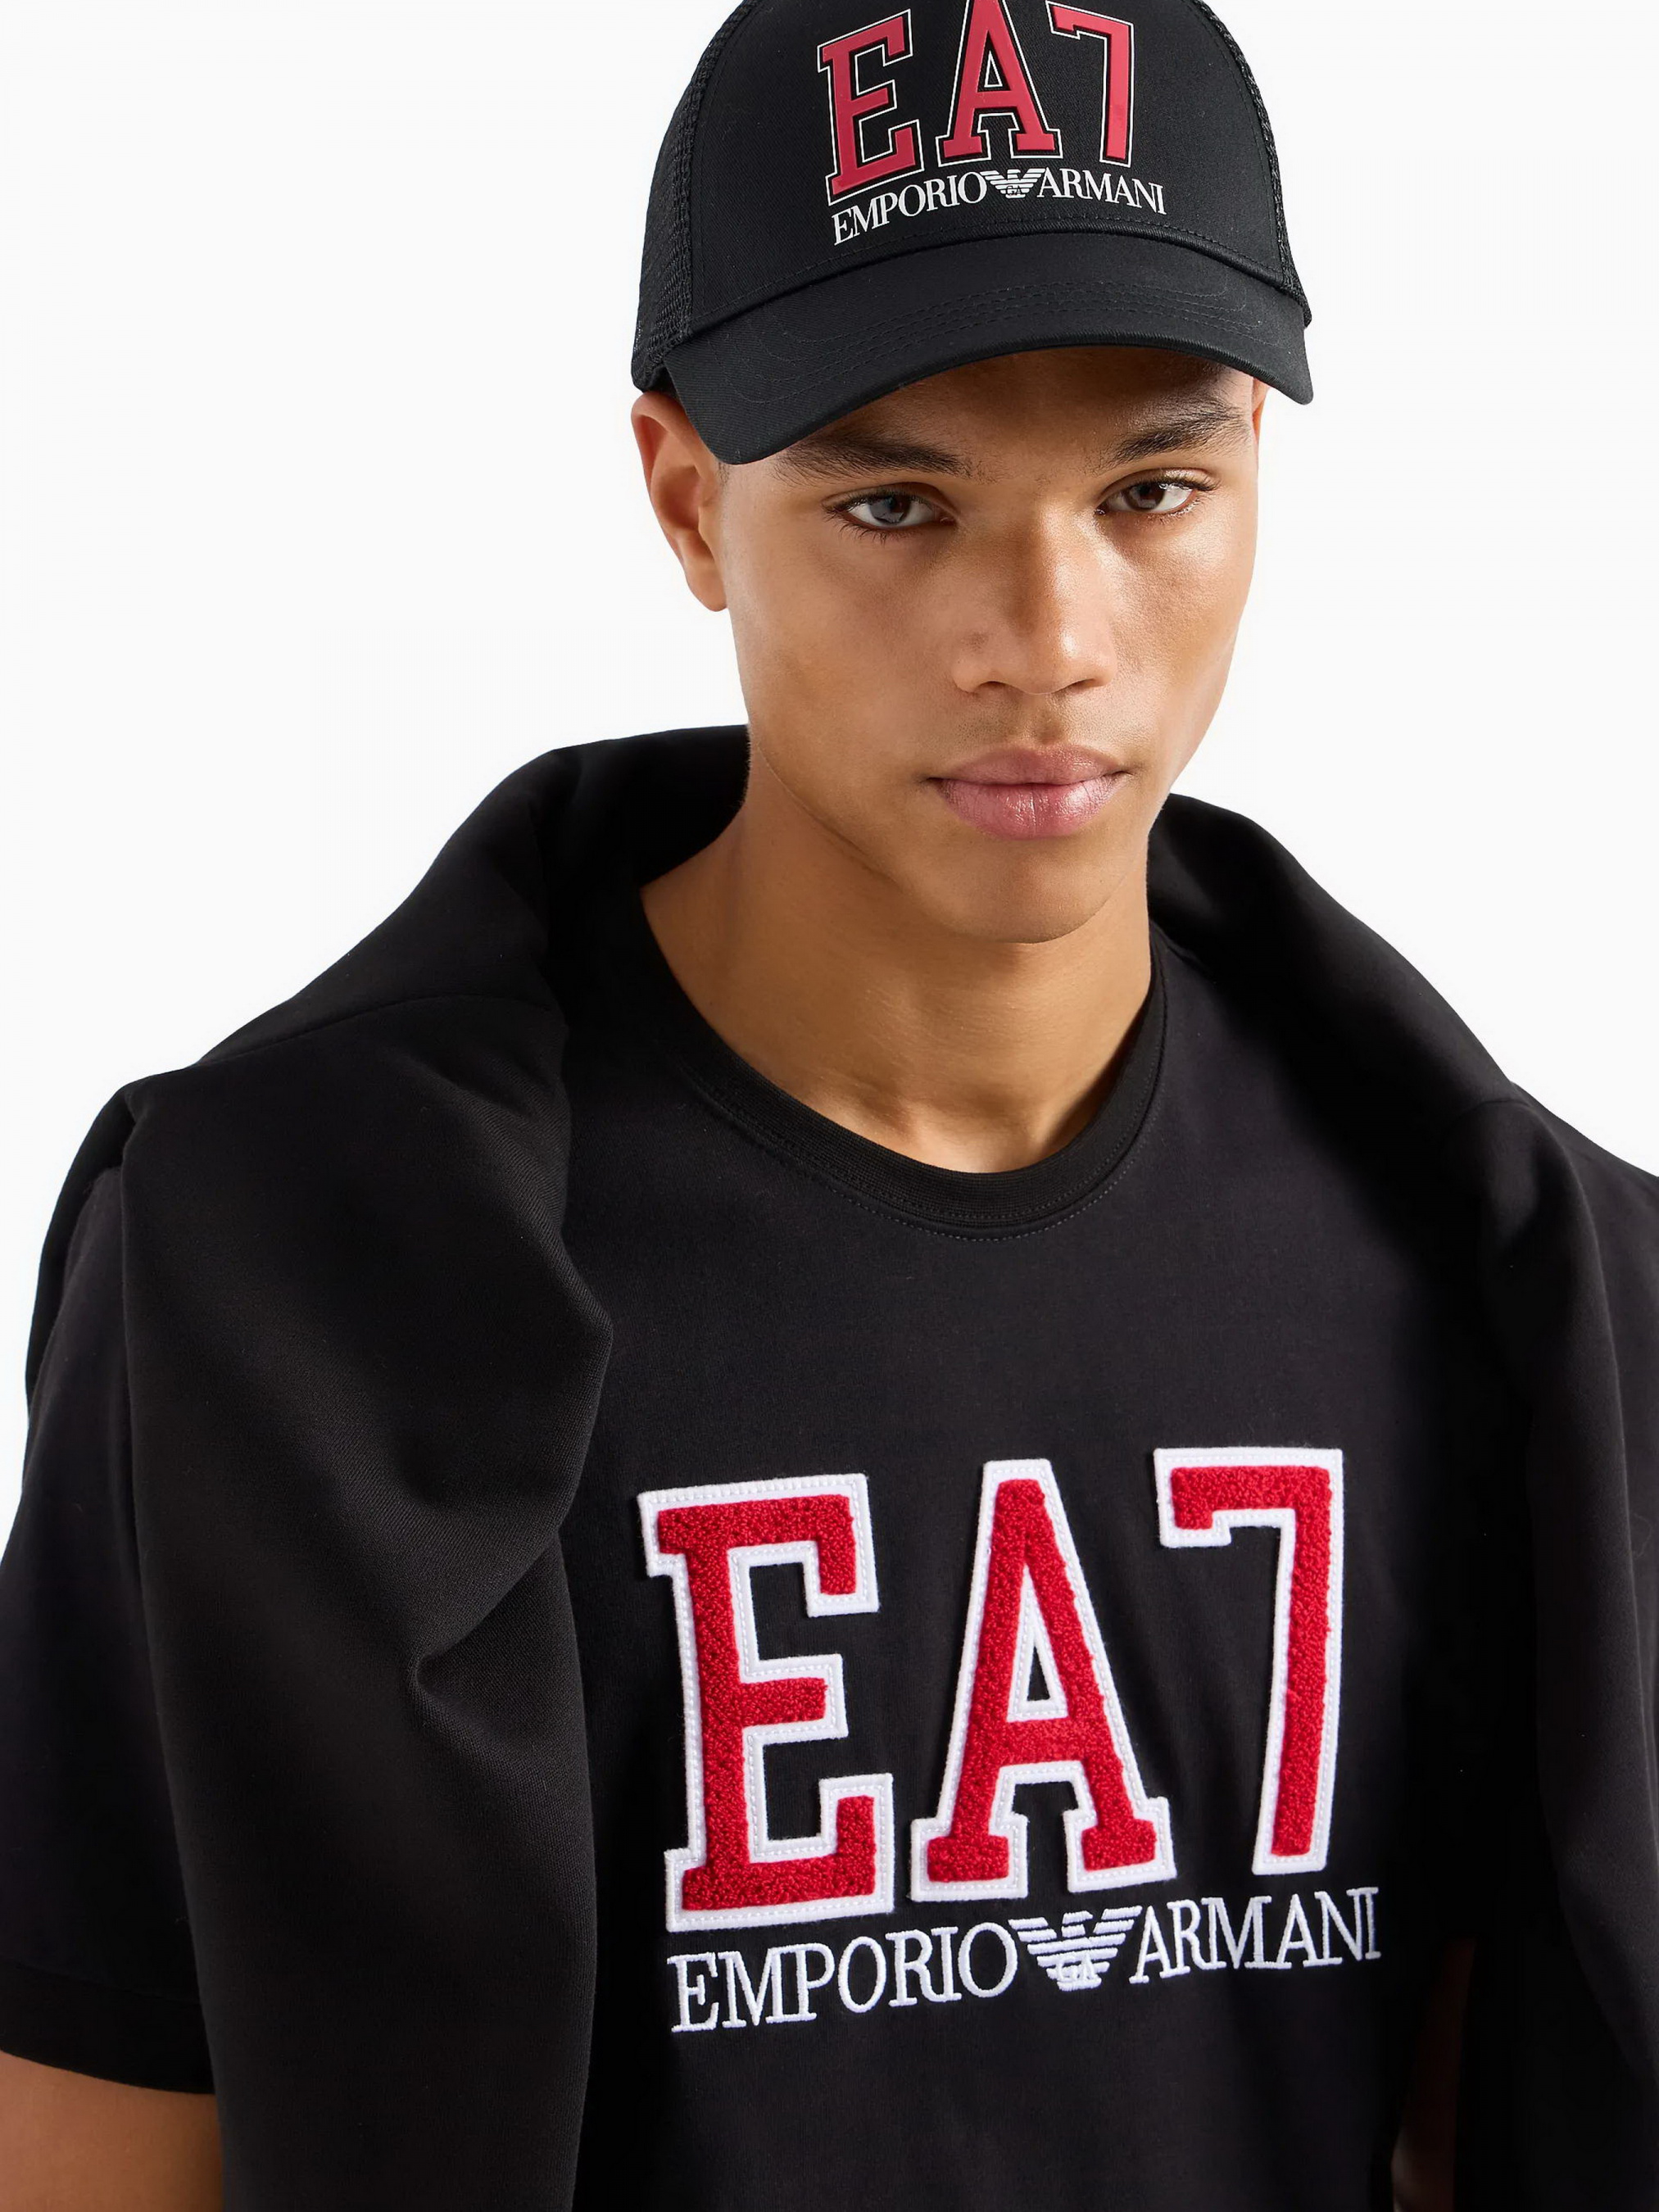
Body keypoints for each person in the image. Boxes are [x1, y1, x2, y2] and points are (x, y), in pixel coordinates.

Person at [2, 0, 1657, 2205]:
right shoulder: (283, 1279)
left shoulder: (1530, 1295)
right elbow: (103, 2130)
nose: (1046, 636)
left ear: (1256, 464)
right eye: (896, 502)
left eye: (1151, 490)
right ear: (687, 497)